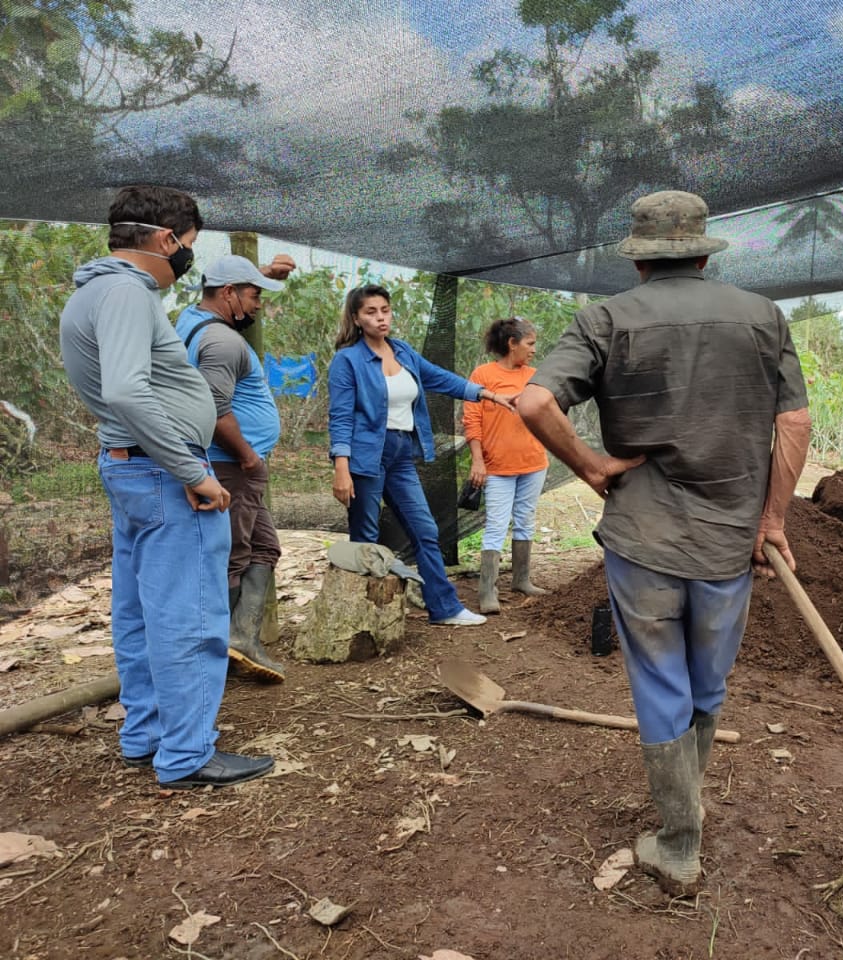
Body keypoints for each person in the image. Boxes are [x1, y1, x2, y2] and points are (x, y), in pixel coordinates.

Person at [518, 190, 811, 897]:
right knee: (708, 682)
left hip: (642, 537)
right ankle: (687, 812)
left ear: (639, 260)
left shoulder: (606, 319)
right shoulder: (763, 316)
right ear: (704, 254)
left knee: (660, 683)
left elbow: (533, 400)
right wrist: (771, 521)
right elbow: (794, 424)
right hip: (729, 539)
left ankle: (679, 842)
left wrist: (590, 466)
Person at [59, 185, 273, 788]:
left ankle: (147, 735)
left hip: (131, 466)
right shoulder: (128, 292)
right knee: (190, 613)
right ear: (165, 238)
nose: (186, 259)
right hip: (162, 473)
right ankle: (186, 754)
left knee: (139, 613)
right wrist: (191, 470)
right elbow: (128, 390)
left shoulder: (93, 291)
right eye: (188, 245)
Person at [327, 284, 518, 626]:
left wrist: (487, 394)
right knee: (365, 538)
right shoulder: (348, 360)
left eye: (385, 310)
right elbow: (340, 416)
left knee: (425, 530)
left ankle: (445, 608)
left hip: (401, 455)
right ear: (356, 318)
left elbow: (440, 379)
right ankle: (363, 620)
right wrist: (341, 467)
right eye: (371, 312)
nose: (380, 317)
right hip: (365, 457)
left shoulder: (402, 352)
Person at [175, 253, 297, 683]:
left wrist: (257, 275)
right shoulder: (223, 342)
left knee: (264, 547)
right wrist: (247, 455)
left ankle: (242, 638)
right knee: (233, 555)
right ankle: (214, 655)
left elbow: (220, 289)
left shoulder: (191, 319)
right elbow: (215, 407)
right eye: (254, 295)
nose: (259, 304)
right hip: (231, 465)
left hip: (234, 465)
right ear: (228, 293)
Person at [464, 317, 551, 614]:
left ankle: (521, 579)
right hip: (497, 466)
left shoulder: (535, 376)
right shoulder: (483, 375)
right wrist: (478, 460)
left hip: (533, 462)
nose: (534, 349)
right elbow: (472, 420)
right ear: (512, 344)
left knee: (525, 519)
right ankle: (487, 589)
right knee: (497, 525)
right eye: (530, 343)